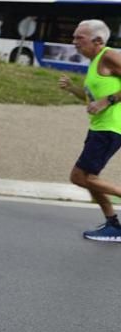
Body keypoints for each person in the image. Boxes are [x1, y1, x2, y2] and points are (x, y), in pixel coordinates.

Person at [58, 18, 121, 243]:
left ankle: (114, 224)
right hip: (99, 128)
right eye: (74, 37)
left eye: (79, 38)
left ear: (98, 40)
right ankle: (113, 224)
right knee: (84, 177)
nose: (74, 42)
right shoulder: (95, 62)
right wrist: (72, 89)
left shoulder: (108, 55)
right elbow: (91, 100)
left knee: (83, 177)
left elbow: (102, 100)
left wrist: (108, 101)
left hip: (111, 128)